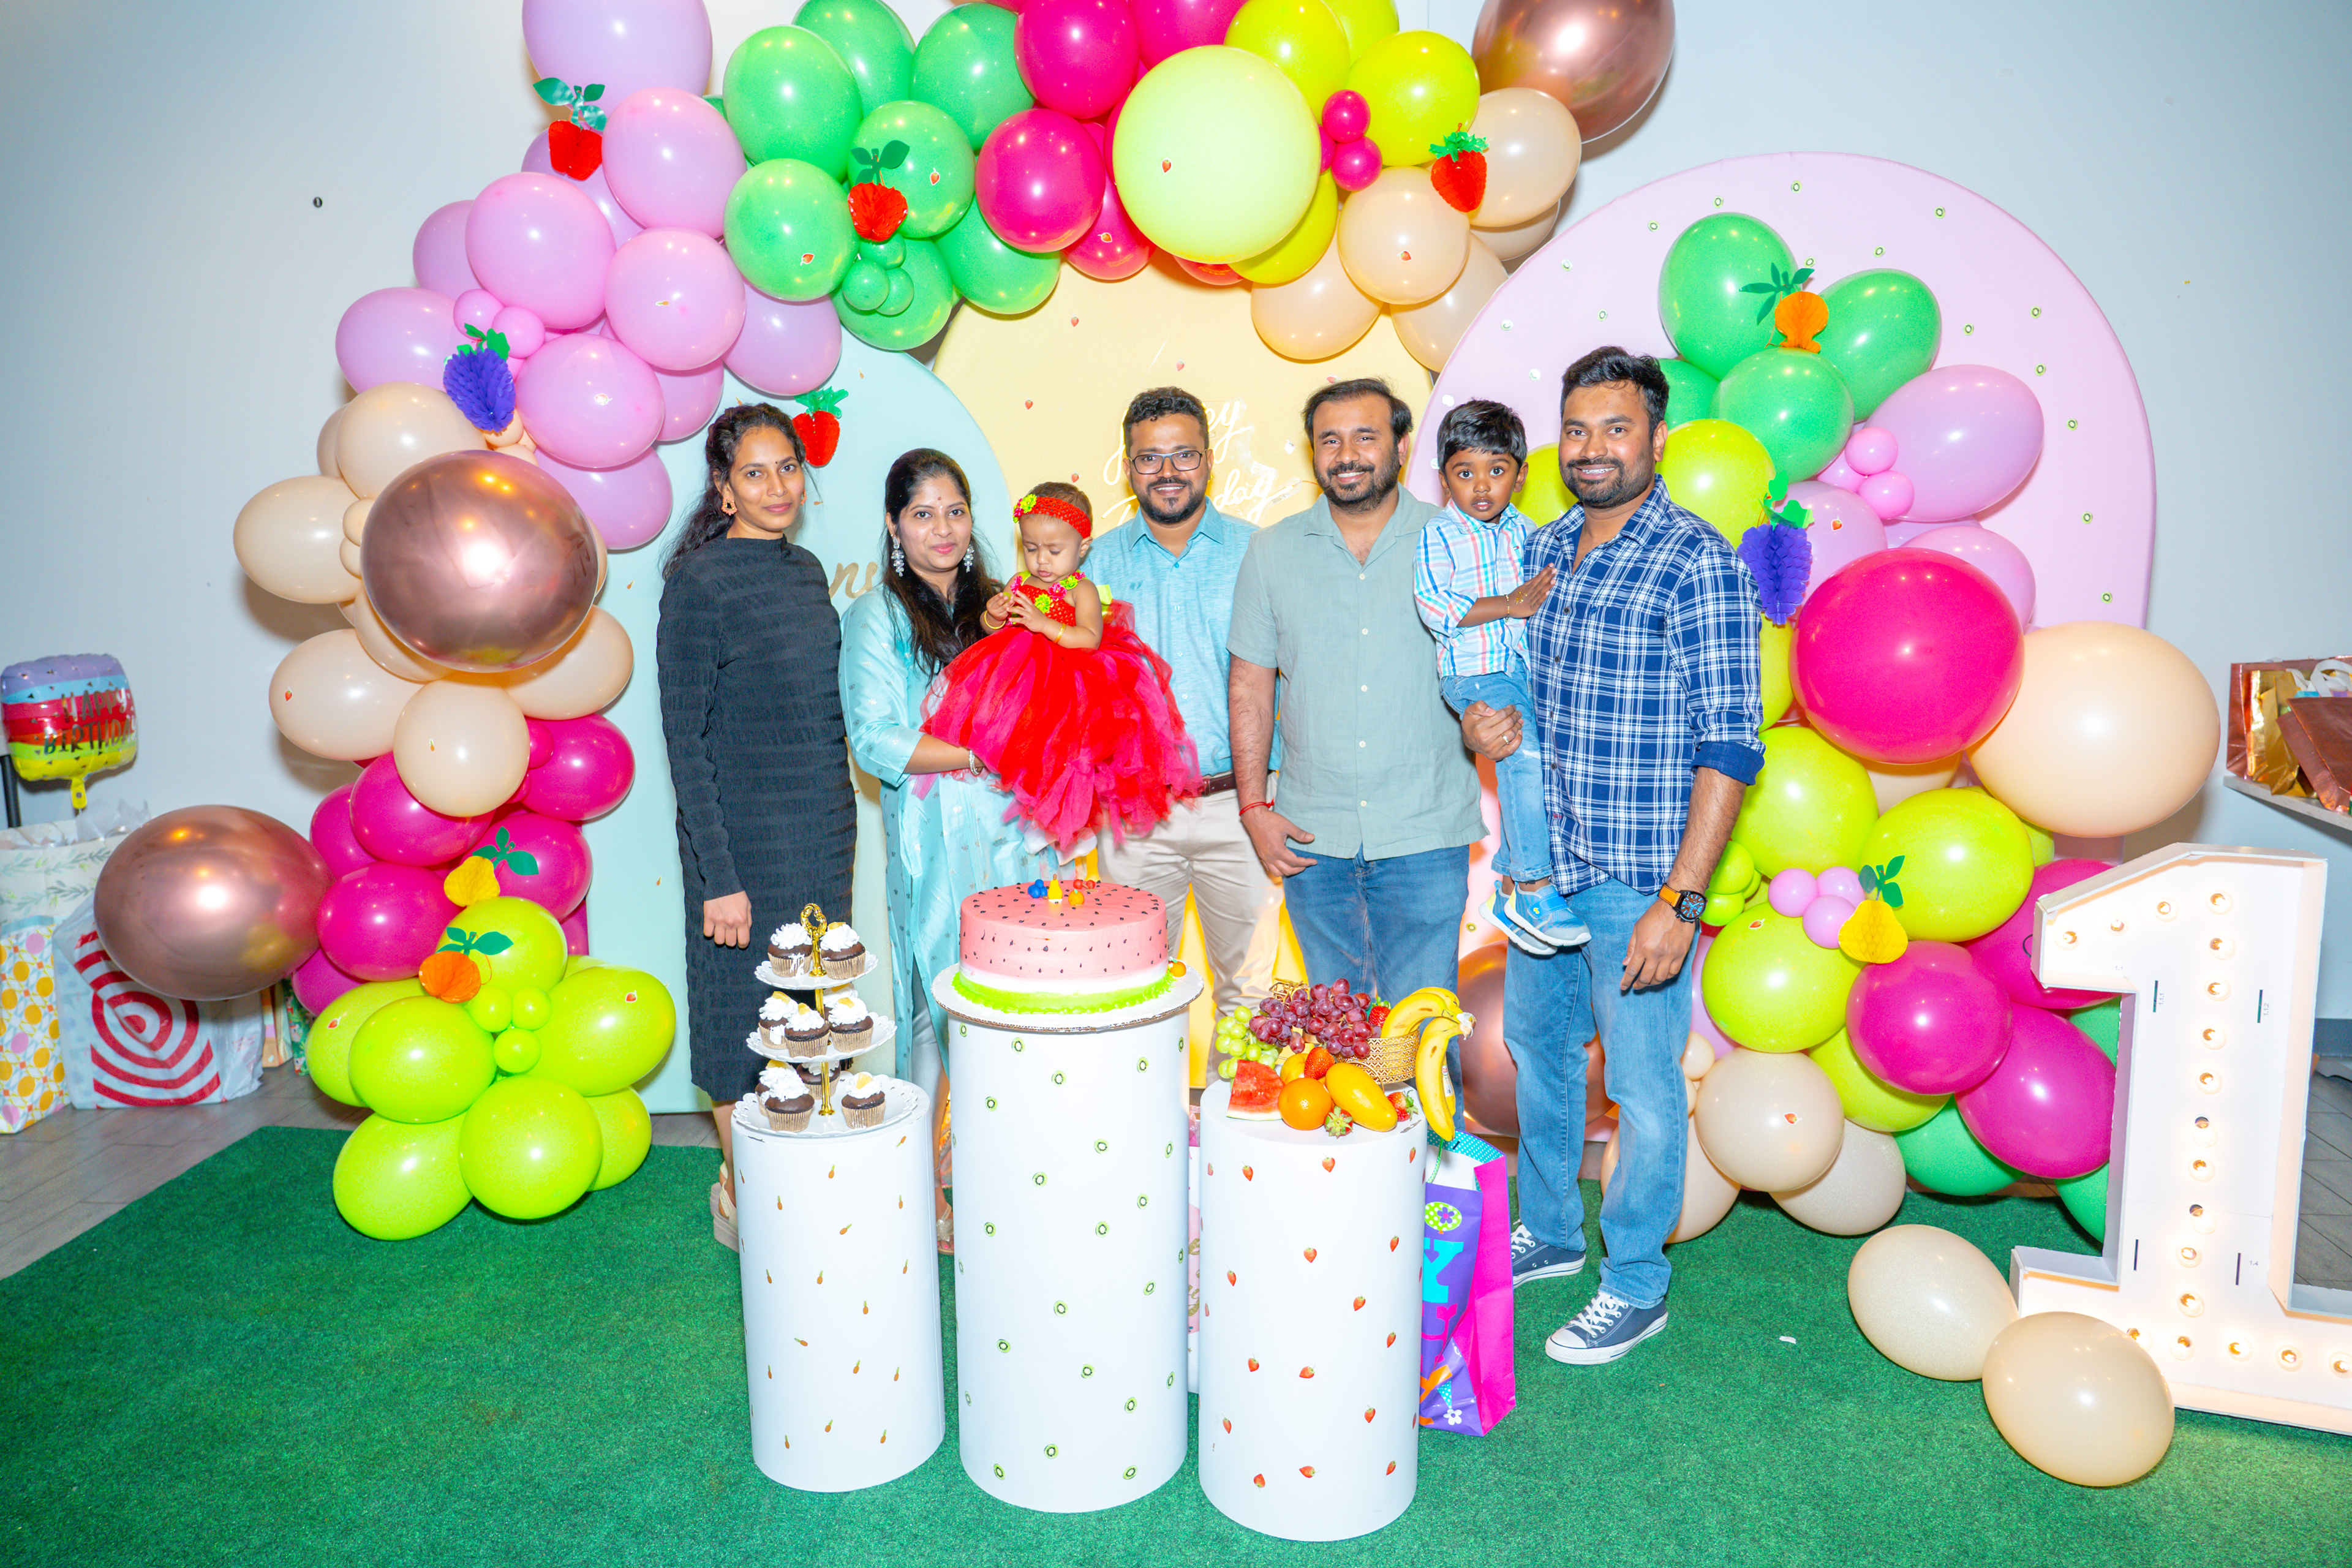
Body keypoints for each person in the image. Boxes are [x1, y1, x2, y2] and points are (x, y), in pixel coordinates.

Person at [1460, 347, 1762, 1365]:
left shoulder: (1697, 560)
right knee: (1540, 1055)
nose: (1593, 449)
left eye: (1616, 429)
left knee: (1641, 1087)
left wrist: (1682, 901)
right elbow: (1503, 684)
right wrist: (1483, 725)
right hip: (1544, 876)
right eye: (1577, 430)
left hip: (1639, 879)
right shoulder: (1542, 549)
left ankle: (1635, 1283)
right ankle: (1549, 1232)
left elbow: (1731, 741)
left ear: (1657, 439)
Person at [657, 404, 856, 1251]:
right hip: (740, 849)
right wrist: (719, 878)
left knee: (812, 1018)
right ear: (724, 487)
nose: (778, 487)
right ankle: (746, 1203)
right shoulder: (700, 583)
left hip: (821, 835)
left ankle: (801, 1190)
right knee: (740, 1025)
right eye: (755, 472)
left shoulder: (804, 571)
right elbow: (686, 741)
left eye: (788, 468)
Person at [1227, 378, 1482, 1005]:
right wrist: (1253, 807)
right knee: (1335, 1029)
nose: (1347, 455)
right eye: (1330, 440)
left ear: (1402, 446)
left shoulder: (1459, 542)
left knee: (1422, 1027)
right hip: (1313, 838)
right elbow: (1250, 686)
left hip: (1426, 832)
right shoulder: (1271, 551)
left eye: (1366, 437)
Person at [839, 448, 1035, 1248]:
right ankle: (920, 1191)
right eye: (922, 514)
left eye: (955, 510)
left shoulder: (1007, 606)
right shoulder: (878, 617)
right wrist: (981, 754)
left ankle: (1012, 1182)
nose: (942, 529)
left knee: (1017, 1011)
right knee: (935, 1008)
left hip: (1023, 839)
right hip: (938, 841)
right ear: (894, 525)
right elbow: (875, 738)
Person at [1090, 387, 1284, 1017]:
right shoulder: (1092, 565)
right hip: (1136, 816)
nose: (1168, 471)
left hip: (1243, 808)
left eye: (1184, 455)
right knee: (1131, 994)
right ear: (1128, 466)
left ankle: (1235, 1092)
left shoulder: (1262, 553)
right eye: (1150, 458)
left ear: (1208, 460)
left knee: (1249, 1000)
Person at [921, 481, 1200, 853]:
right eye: (1031, 548)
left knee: (1068, 753)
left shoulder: (1080, 589)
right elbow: (992, 632)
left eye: (1054, 551)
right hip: (1020, 677)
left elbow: (1089, 639)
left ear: (1082, 548)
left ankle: (1068, 821)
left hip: (1070, 679)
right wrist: (993, 616)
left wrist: (1044, 625)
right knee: (1023, 745)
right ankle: (1036, 812)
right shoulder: (1019, 582)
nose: (1041, 561)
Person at [1414, 399, 1587, 957]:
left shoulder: (1527, 532)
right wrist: (1510, 604)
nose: (1482, 486)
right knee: (1522, 754)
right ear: (1445, 480)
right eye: (1465, 473)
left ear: (1521, 474)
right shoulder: (1439, 533)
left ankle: (1509, 888)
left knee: (1539, 762)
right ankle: (1533, 887)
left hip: (1521, 668)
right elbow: (1436, 607)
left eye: (1496, 470)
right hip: (1474, 671)